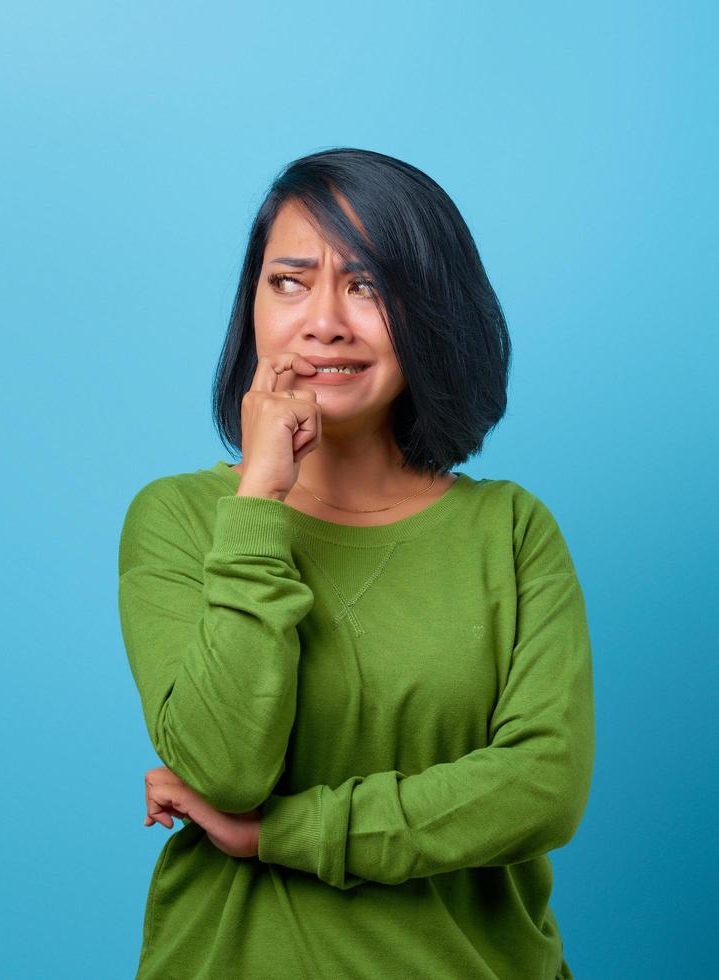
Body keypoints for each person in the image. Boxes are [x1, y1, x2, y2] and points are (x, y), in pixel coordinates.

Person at [117, 147, 595, 978]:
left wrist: (280, 834)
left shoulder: (512, 531)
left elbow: (542, 789)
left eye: (369, 284)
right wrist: (259, 502)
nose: (325, 321)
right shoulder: (183, 520)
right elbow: (227, 769)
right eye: (290, 281)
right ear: (253, 308)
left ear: (433, 309)